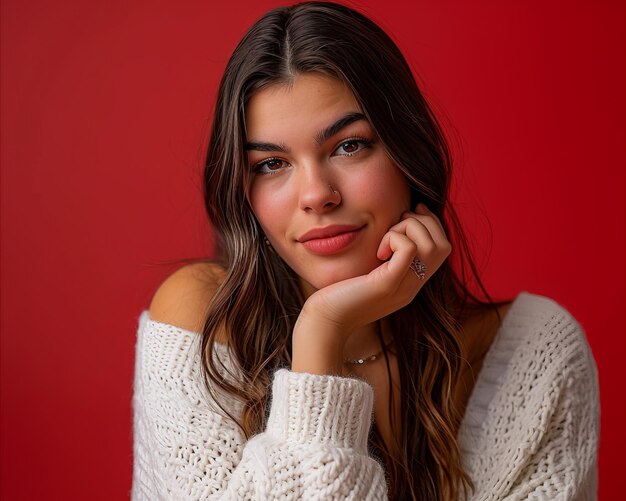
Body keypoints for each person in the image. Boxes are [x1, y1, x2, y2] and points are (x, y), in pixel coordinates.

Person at [131, 2, 599, 499]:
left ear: (406, 152)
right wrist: (322, 333)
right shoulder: (201, 327)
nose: (316, 195)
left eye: (348, 146)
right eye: (271, 164)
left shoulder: (534, 357)